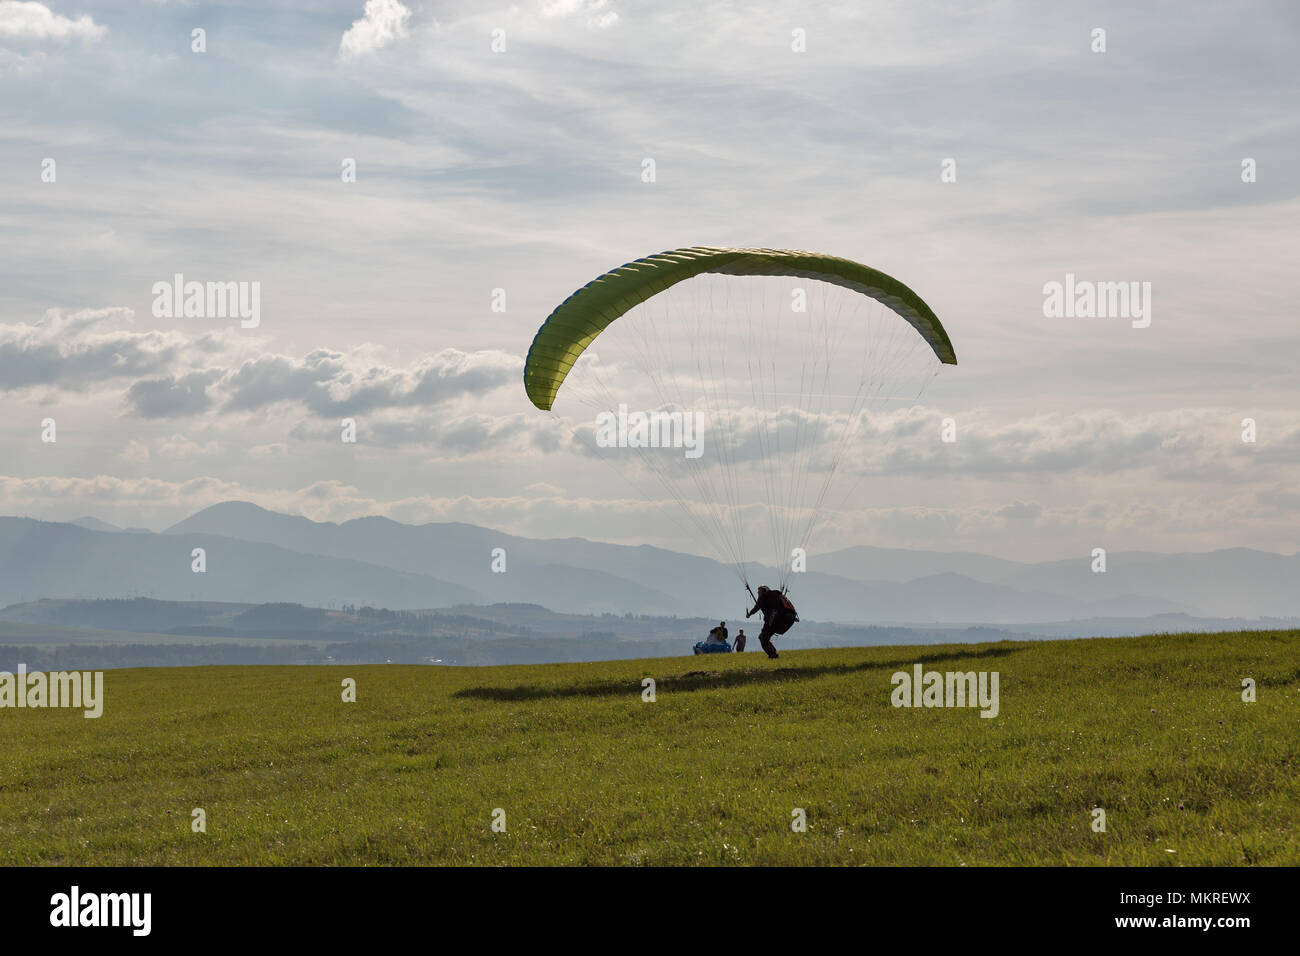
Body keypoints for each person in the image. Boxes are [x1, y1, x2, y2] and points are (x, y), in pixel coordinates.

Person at [745, 585, 798, 659]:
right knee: (763, 637)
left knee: (763, 637)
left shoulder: (764, 597)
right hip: (787, 618)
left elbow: (757, 607)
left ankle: (773, 655)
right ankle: (773, 654)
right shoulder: (777, 596)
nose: (758, 593)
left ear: (764, 591)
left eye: (759, 591)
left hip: (776, 619)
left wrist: (749, 614)